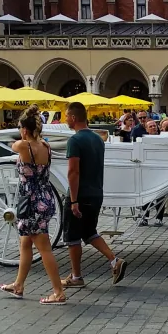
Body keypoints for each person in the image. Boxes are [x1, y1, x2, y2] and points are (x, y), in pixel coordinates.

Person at [0, 106, 66, 304]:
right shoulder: (45, 146)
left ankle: (58, 291)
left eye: (21, 128)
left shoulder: (22, 146)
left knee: (43, 247)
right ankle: (18, 285)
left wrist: (21, 134)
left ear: (25, 130)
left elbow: (12, 144)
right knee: (26, 243)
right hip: (44, 196)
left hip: (30, 201)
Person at [61, 101, 127, 290]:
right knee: (89, 232)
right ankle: (115, 261)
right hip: (96, 193)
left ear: (74, 118)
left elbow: (73, 172)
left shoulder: (74, 140)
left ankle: (76, 276)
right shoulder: (98, 139)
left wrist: (73, 200)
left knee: (72, 237)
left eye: (66, 115)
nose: (65, 118)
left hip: (80, 195)